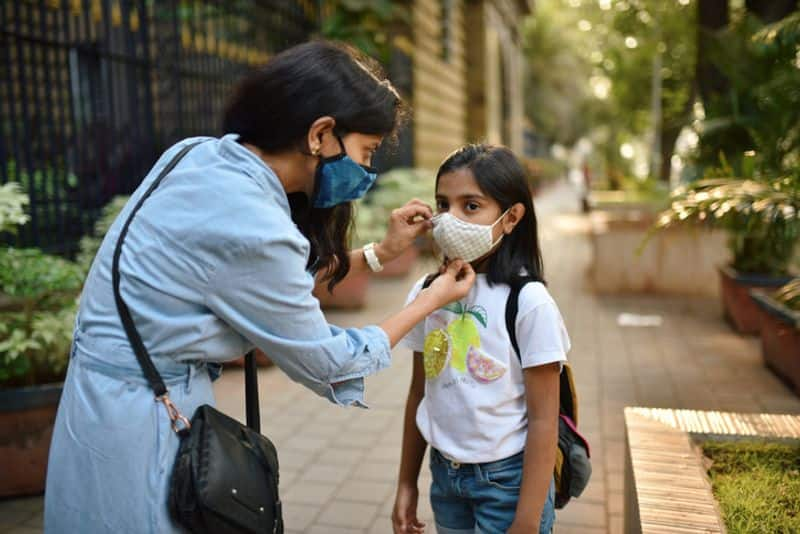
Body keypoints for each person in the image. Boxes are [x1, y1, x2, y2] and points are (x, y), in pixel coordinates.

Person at [44, 41, 475, 533]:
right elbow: (331, 362)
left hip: (100, 397)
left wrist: (381, 253)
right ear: (320, 135)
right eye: (367, 152)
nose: (367, 172)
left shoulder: (197, 155)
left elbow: (252, 286)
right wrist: (428, 300)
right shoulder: (255, 222)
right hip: (141, 421)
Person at [392, 144, 571, 534]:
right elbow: (418, 393)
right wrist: (406, 483)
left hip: (508, 483)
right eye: (444, 204)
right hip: (446, 478)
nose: (451, 218)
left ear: (511, 218)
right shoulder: (427, 292)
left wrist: (526, 519)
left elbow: (544, 421)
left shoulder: (529, 303)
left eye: (471, 206)